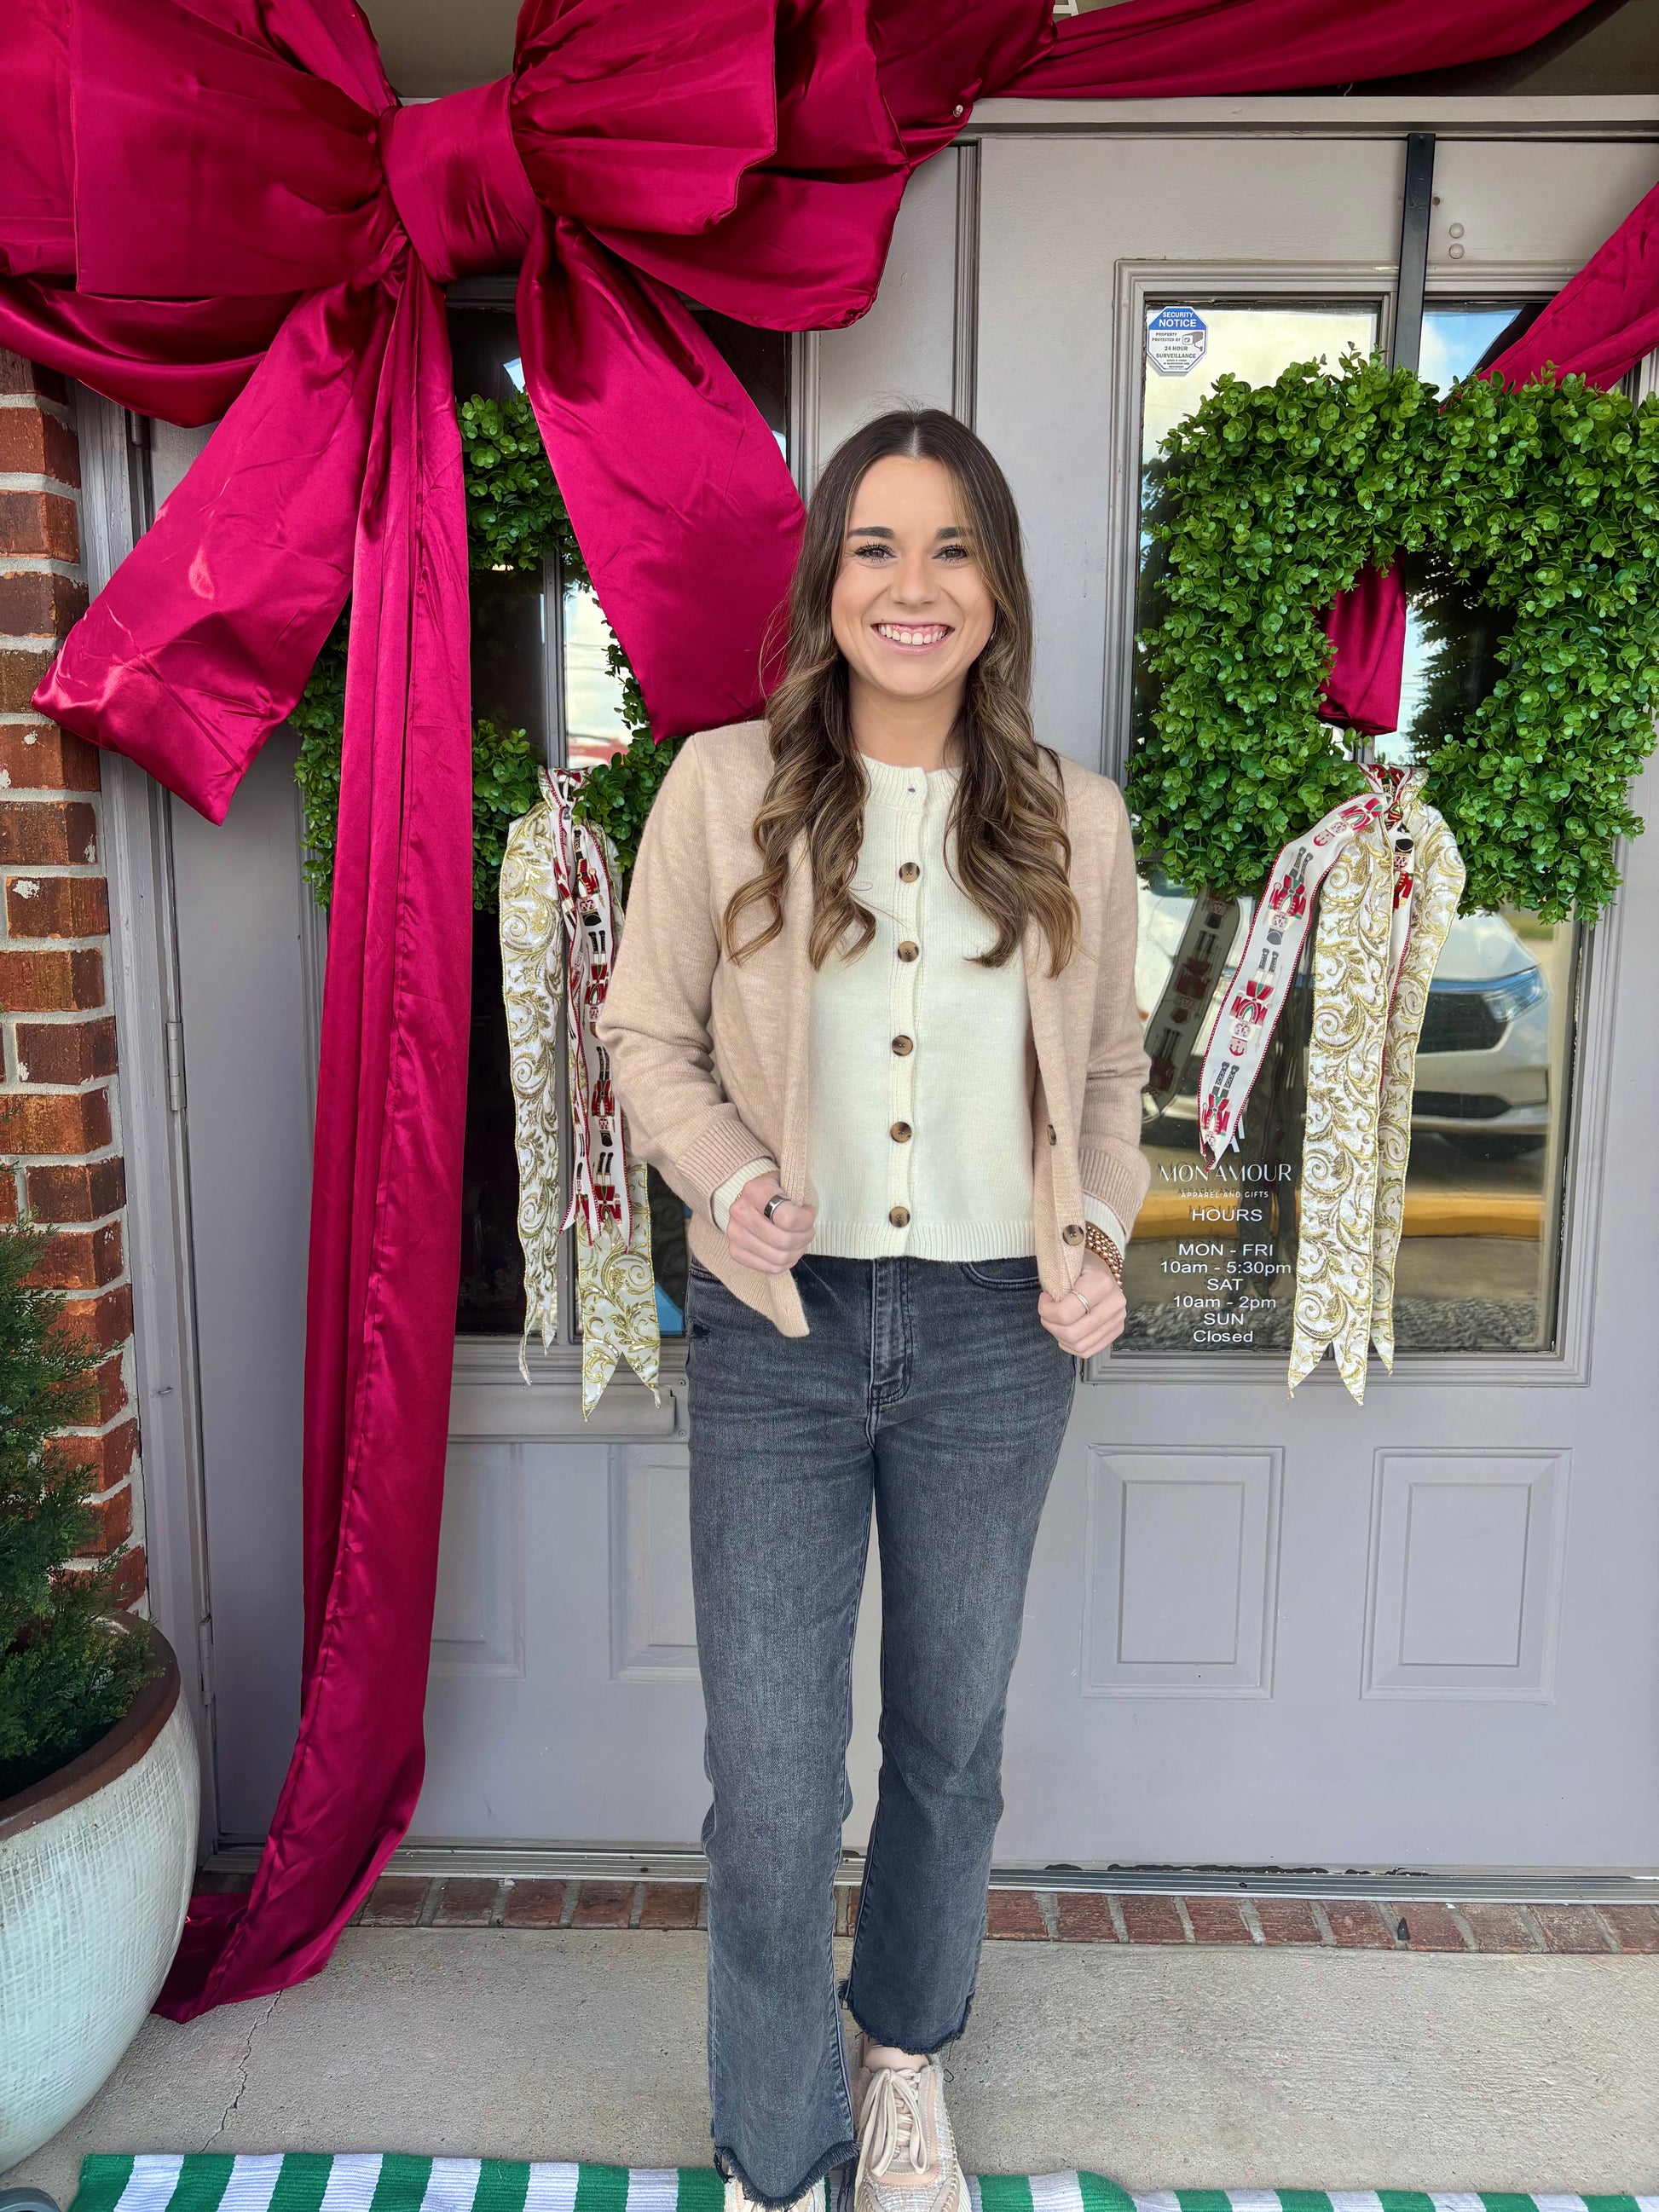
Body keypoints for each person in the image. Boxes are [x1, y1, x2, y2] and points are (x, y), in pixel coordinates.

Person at [598, 409, 1149, 2212]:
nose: (914, 587)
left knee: (947, 1741)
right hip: (780, 1331)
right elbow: (645, 1036)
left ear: (998, 586)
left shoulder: (1071, 817)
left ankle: (902, 2057)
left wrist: (1097, 1234)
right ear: (827, 581)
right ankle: (776, 2138)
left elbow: (1112, 1077)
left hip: (997, 1338)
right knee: (769, 1772)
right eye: (876, 548)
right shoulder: (719, 788)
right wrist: (721, 1176)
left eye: (952, 548)